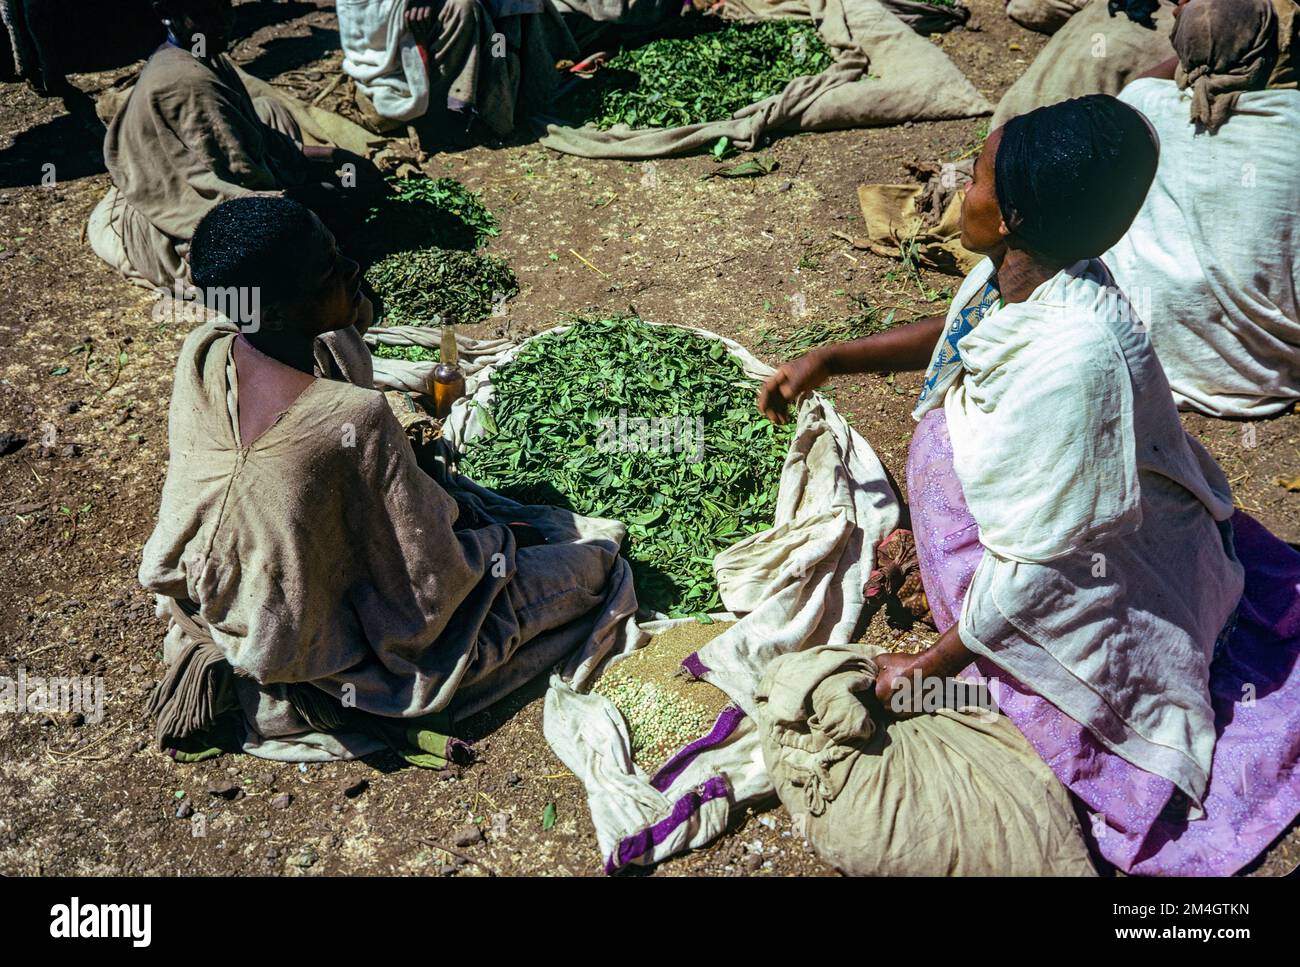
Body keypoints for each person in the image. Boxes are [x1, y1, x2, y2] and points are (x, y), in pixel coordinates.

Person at [759, 94, 1300, 875]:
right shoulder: (1030, 272)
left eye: (973, 177)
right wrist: (834, 356)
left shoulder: (1078, 359)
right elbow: (964, 336)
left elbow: (1040, 576)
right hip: (1040, 538)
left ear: (1010, 214)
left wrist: (926, 668)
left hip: (1079, 581)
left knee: (1055, 699)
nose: (957, 191)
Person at [140, 195, 634, 763]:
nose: (354, 271)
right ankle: (343, 695)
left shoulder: (204, 352)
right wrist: (500, 541)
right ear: (277, 307)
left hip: (224, 595)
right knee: (598, 562)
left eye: (341, 254)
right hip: (302, 640)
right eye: (330, 271)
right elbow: (431, 587)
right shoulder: (353, 419)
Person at [88, 0, 378, 292]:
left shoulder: (203, 55)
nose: (222, 22)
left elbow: (261, 135)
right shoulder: (187, 83)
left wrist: (337, 156)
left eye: (225, 8)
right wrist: (327, 195)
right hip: (181, 216)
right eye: (203, 13)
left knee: (270, 110)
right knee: (296, 241)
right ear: (166, 15)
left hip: (206, 179)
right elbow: (241, 192)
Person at [1106, 0, 1300, 418]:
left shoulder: (1143, 102)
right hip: (1256, 369)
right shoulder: (1291, 123)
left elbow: (1147, 83)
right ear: (1268, 51)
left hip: (1140, 342)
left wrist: (1198, 49)